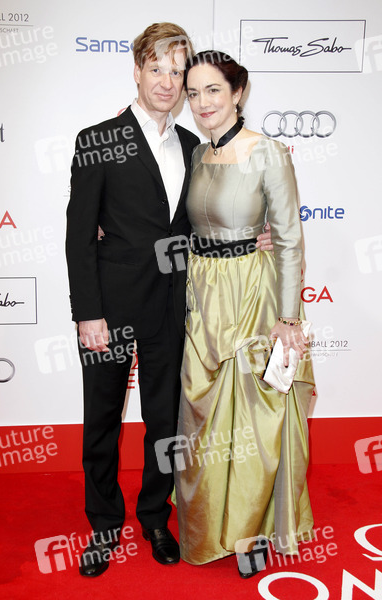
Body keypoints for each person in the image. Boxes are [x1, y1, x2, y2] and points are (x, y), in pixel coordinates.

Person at [66, 25, 273, 577]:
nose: (167, 81)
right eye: (156, 68)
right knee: (102, 419)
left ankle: (156, 517)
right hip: (109, 310)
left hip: (173, 307)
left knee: (165, 421)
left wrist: (248, 238)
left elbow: (198, 224)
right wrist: (88, 314)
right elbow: (79, 236)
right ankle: (104, 524)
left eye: (177, 71)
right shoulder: (97, 140)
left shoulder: (193, 147)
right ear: (136, 71)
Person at [174, 50, 315, 578]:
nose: (202, 103)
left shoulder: (268, 152)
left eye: (213, 90)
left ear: (238, 93)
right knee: (204, 416)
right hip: (203, 295)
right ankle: (207, 521)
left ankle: (251, 533)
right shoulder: (198, 154)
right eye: (193, 93)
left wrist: (288, 318)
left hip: (253, 297)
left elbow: (289, 240)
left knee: (255, 420)